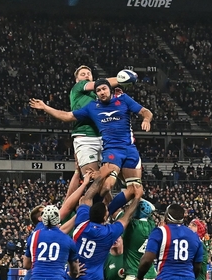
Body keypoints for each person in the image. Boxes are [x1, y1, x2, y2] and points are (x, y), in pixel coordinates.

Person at [29, 76, 151, 217]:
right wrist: (45, 107)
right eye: (98, 90)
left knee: (136, 190)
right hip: (112, 150)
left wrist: (146, 119)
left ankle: (107, 213)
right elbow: (67, 116)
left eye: (104, 88)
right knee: (107, 185)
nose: (101, 92)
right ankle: (92, 213)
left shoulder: (123, 99)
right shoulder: (92, 107)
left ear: (110, 89)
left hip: (130, 149)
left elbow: (145, 111)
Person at [69, 66, 128, 174]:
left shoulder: (98, 95)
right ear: (77, 80)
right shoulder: (78, 86)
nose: (86, 75)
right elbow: (102, 84)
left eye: (88, 74)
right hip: (85, 135)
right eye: (83, 74)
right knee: (91, 178)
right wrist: (124, 77)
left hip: (102, 136)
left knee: (107, 178)